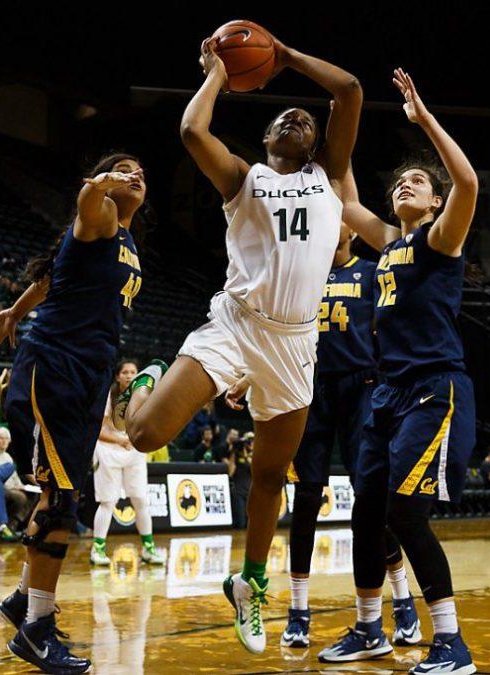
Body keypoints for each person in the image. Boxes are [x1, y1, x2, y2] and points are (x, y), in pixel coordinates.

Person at [112, 34, 362, 655]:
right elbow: (194, 131)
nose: (296, 117)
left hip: (297, 344)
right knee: (143, 437)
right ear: (269, 141)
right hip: (236, 324)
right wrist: (219, 74)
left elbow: (350, 90)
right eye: (283, 116)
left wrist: (285, 53)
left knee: (274, 474)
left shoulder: (331, 177)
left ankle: (249, 584)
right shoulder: (243, 179)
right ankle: (151, 377)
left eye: (303, 115)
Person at [319, 69, 479, 671]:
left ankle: (450, 641)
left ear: (434, 202)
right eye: (402, 181)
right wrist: (336, 137)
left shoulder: (442, 240)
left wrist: (423, 118)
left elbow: (466, 180)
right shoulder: (387, 242)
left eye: (419, 182)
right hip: (387, 394)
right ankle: (369, 629)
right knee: (367, 510)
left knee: (405, 513)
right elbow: (344, 198)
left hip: (434, 389)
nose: (408, 184)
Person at [0, 152, 148, 674]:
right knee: (62, 501)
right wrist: (98, 184)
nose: (135, 175)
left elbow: (52, 277)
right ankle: (36, 629)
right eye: (125, 169)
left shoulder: (125, 242)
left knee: (63, 496)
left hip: (86, 376)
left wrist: (14, 310)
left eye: (142, 172)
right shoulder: (99, 215)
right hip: (55, 368)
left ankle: (22, 603)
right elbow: (84, 202)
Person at [271, 222, 420, 652]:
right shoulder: (305, 274)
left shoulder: (372, 272)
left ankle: (402, 598)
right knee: (304, 499)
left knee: (372, 501)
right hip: (311, 388)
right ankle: (298, 612)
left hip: (363, 388)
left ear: (351, 227)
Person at [89, 360, 165, 567]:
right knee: (108, 502)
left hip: (134, 452)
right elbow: (97, 431)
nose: (130, 375)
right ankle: (98, 549)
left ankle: (148, 549)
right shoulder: (108, 396)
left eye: (133, 372)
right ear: (117, 376)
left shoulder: (145, 397)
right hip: (108, 451)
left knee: (140, 499)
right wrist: (120, 440)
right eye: (125, 372)